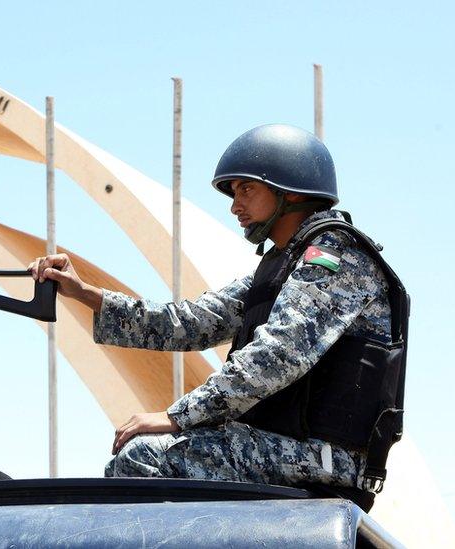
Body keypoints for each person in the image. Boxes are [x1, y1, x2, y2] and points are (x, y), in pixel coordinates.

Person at [29, 124, 407, 508]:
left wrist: (178, 416)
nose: (234, 205)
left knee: (144, 459)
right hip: (285, 443)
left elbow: (276, 357)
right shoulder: (282, 266)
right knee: (143, 453)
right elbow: (190, 321)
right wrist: (85, 294)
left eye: (247, 189)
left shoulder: (334, 259)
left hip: (324, 458)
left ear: (290, 191)